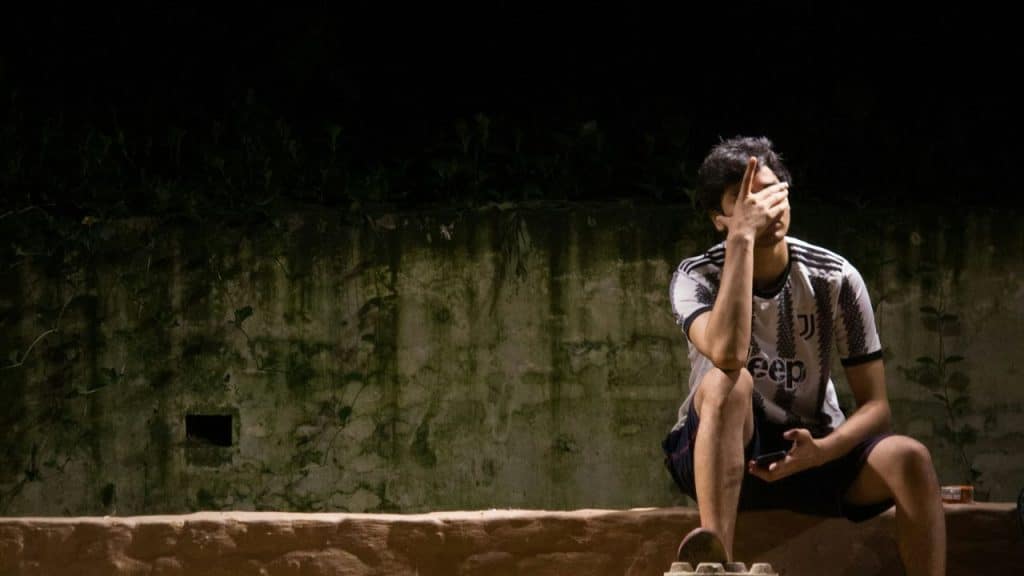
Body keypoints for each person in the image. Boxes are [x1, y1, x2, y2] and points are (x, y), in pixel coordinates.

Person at [662, 136, 946, 575]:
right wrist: (741, 242)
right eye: (745, 200)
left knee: (911, 458)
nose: (764, 206)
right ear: (720, 219)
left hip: (811, 451)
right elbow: (729, 353)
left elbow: (877, 406)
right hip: (722, 446)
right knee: (728, 380)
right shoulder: (696, 276)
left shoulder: (835, 277)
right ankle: (717, 565)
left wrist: (824, 451)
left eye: (772, 190)